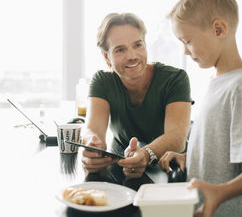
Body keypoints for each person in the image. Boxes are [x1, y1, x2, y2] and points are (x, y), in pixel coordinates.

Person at [161, 0, 242, 217]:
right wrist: (188, 157)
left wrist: (219, 193)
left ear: (218, 29)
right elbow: (222, 151)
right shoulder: (217, 83)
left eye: (187, 41)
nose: (185, 51)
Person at [81, 12, 192, 178]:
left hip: (170, 166)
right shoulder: (102, 81)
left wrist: (146, 154)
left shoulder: (175, 78)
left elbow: (177, 137)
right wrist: (92, 145)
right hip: (121, 164)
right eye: (120, 50)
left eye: (138, 45)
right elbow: (92, 129)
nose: (132, 56)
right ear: (107, 57)